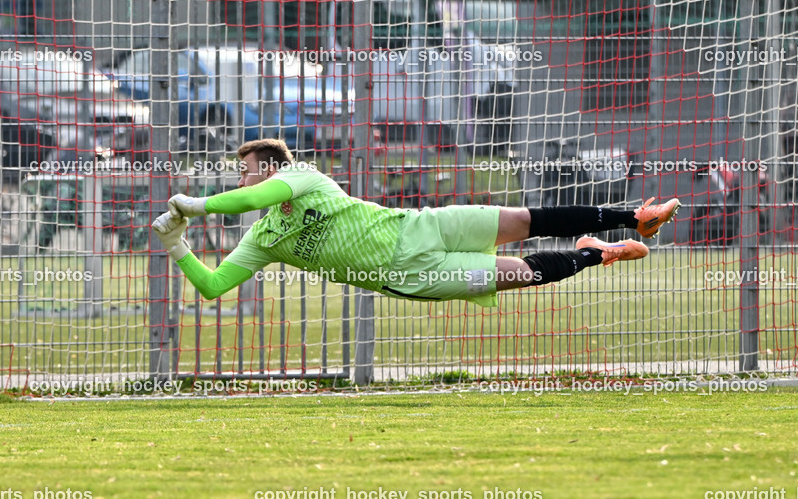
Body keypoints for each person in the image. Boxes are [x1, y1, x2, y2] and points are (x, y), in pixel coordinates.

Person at [151, 138, 681, 308]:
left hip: (419, 227)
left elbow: (250, 199)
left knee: (523, 218)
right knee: (520, 272)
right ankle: (598, 252)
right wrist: (178, 244)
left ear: (271, 169)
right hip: (408, 275)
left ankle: (635, 216)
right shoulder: (263, 238)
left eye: (245, 172)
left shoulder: (302, 177)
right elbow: (214, 286)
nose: (242, 180)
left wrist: (196, 207)